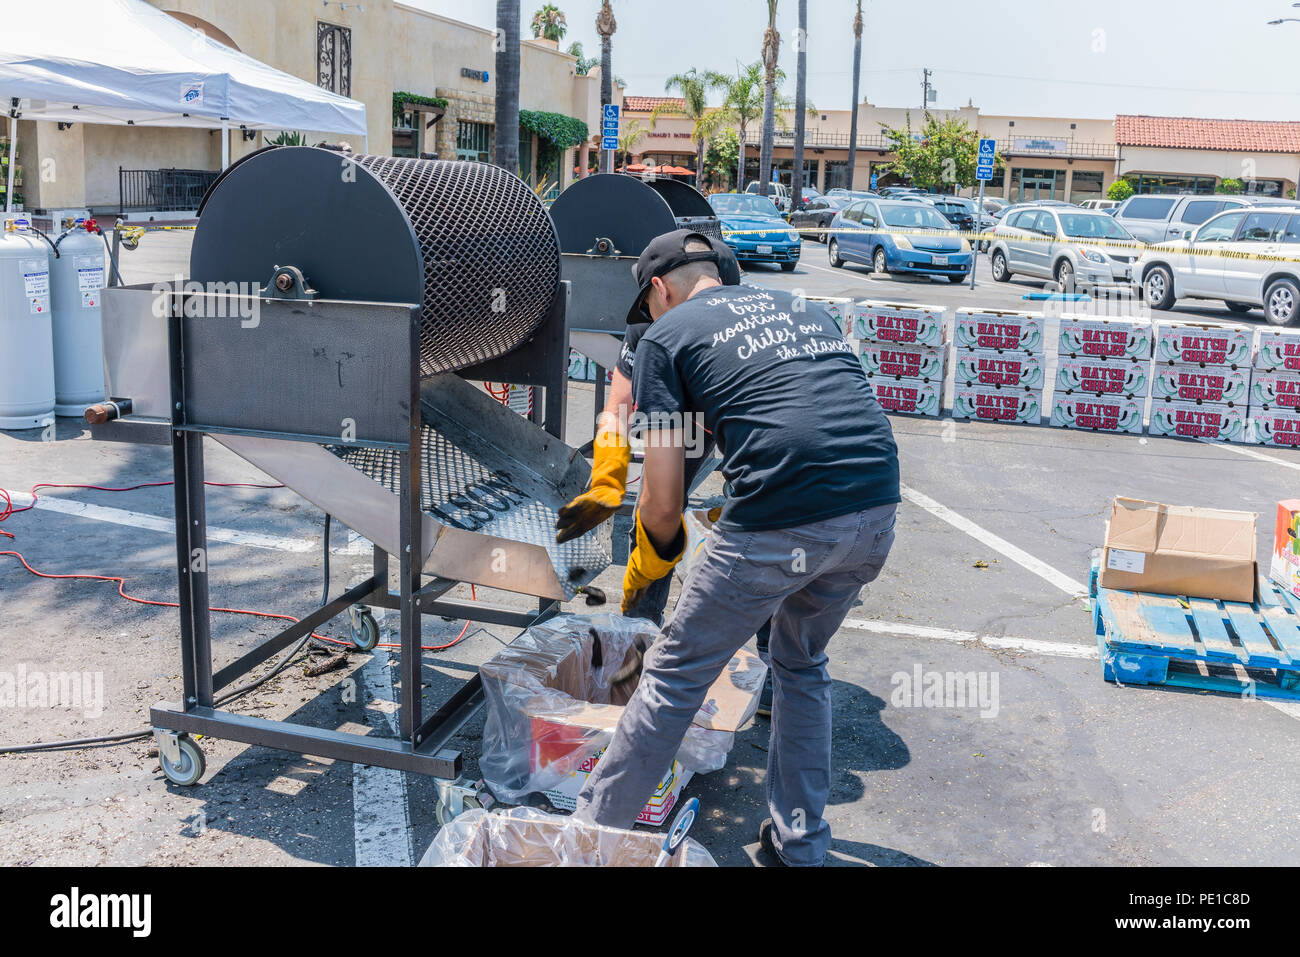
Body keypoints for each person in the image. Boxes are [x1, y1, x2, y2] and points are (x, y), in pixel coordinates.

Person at [570, 229, 900, 867]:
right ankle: (799, 845)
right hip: (875, 511)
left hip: (781, 520)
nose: (651, 317)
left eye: (649, 304)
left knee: (671, 679)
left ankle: (587, 844)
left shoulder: (665, 336)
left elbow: (664, 500)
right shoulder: (806, 308)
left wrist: (651, 561)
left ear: (659, 289)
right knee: (800, 665)